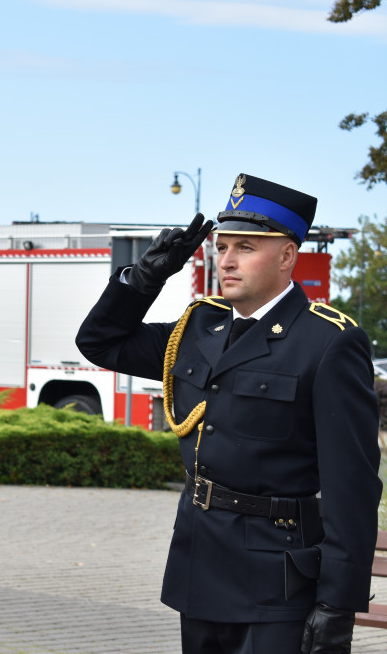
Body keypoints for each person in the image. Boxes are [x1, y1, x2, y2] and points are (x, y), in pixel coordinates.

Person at [76, 173, 382, 654]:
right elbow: (100, 342)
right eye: (222, 247)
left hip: (276, 582)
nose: (228, 260)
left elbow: (353, 487)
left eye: (246, 246)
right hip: (199, 568)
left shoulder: (328, 342)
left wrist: (336, 605)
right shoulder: (201, 325)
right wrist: (145, 278)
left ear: (287, 255)